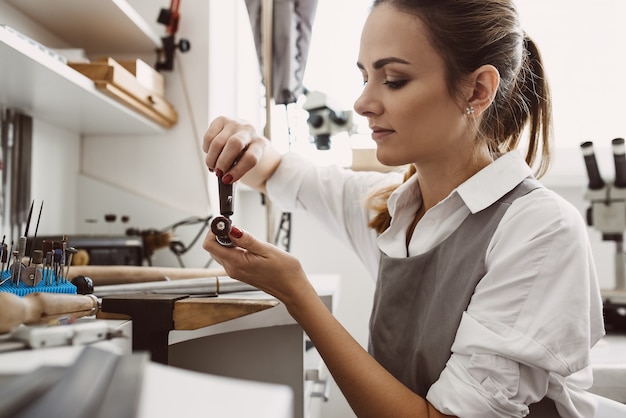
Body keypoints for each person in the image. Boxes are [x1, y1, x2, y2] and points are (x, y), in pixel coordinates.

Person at [202, 0, 605, 416]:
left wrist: (297, 294)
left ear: (478, 90)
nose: (362, 103)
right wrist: (244, 141)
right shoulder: (390, 210)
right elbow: (276, 171)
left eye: (393, 80)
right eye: (364, 77)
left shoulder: (540, 230)